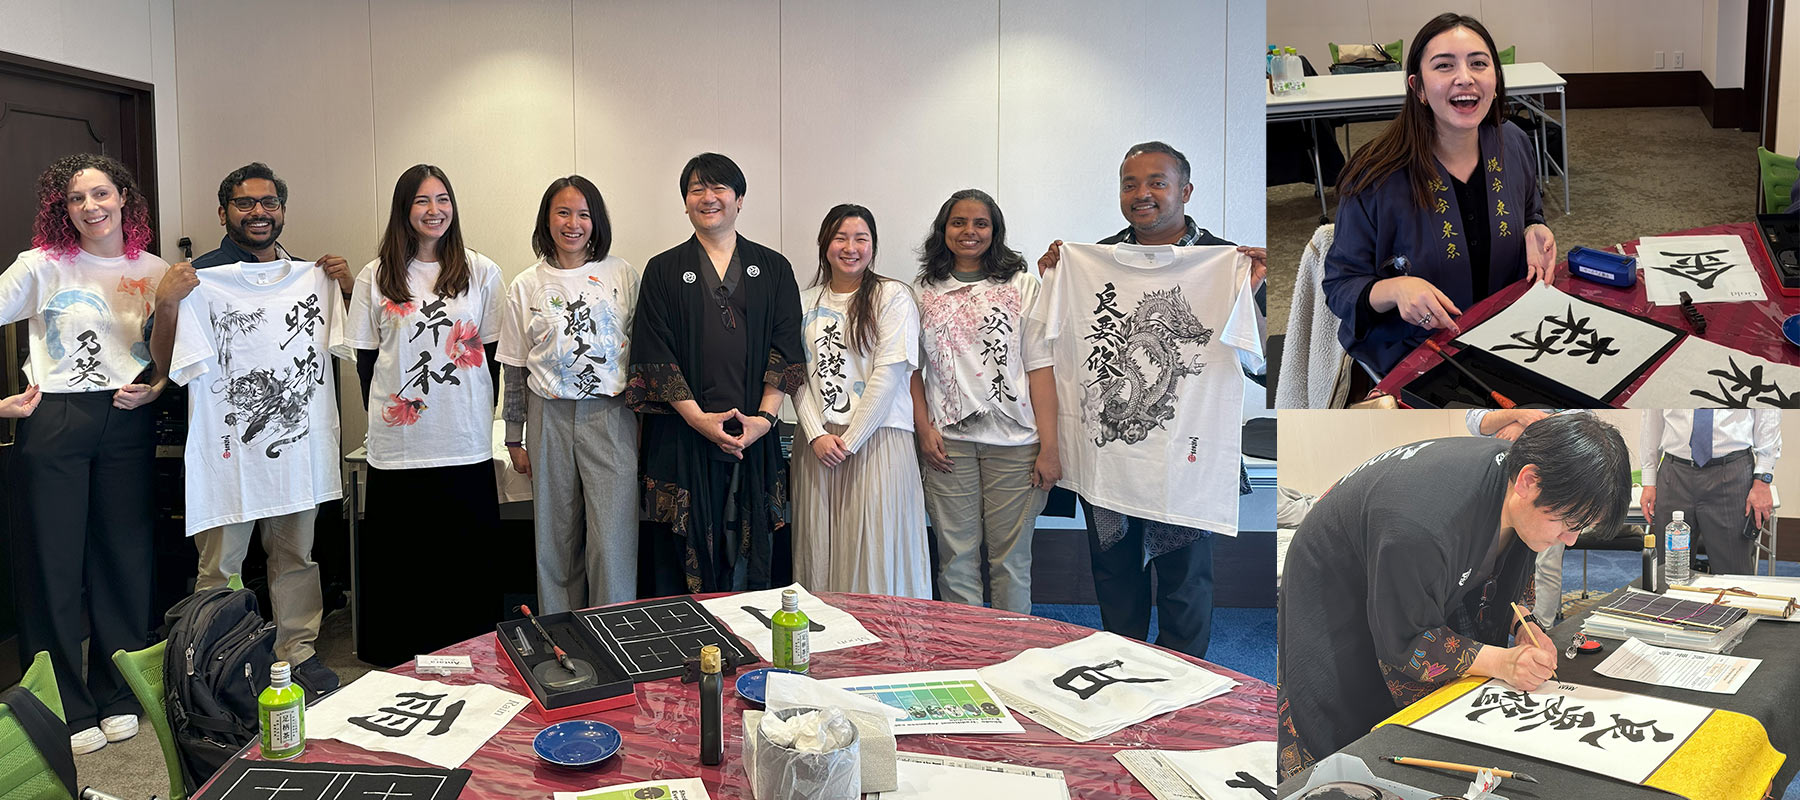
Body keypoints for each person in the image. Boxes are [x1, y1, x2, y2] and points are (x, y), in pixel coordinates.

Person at [1277, 414, 1631, 779]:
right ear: (1528, 481)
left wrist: (1521, 623)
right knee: (1343, 716)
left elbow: (1499, 571)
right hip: (1335, 583)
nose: (1571, 540)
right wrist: (1503, 663)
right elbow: (1407, 638)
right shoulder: (1422, 526)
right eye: (1567, 523)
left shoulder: (1515, 480)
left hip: (1403, 556)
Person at [1035, 141, 1266, 659]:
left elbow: (1259, 368)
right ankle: (1122, 665)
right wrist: (1056, 270)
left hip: (1187, 457)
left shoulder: (1228, 261)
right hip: (1111, 455)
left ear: (1185, 190)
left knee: (1185, 580)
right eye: (1130, 184)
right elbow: (1057, 344)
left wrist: (1253, 294)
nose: (1142, 194)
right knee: (1114, 572)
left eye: (1157, 182)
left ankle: (1185, 676)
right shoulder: (1092, 260)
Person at [154, 162, 351, 695]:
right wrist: (167, 300)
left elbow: (353, 340)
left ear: (282, 211)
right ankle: (214, 661)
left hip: (295, 450)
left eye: (269, 203)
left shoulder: (308, 275)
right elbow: (166, 362)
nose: (258, 212)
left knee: (296, 557)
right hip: (229, 456)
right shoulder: (199, 278)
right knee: (220, 567)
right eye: (245, 203)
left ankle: (297, 651)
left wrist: (346, 289)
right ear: (224, 213)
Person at [2, 153, 171, 754]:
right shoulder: (40, 265)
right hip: (53, 417)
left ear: (125, 198)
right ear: (62, 208)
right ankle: (60, 705)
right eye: (76, 199)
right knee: (52, 564)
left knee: (124, 557)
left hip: (126, 418)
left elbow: (176, 350)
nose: (91, 207)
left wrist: (156, 386)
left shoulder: (156, 271)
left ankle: (120, 692)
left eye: (101, 194)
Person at [331, 164, 504, 667]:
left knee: (464, 560)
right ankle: (400, 657)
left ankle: (470, 654)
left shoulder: (481, 271)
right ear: (404, 210)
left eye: (443, 199)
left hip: (463, 437)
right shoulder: (376, 275)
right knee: (404, 559)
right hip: (399, 445)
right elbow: (366, 361)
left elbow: (491, 354)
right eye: (422, 201)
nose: (435, 211)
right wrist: (392, 415)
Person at [1321, 12, 1557, 376]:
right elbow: (1340, 285)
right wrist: (1396, 290)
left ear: (1496, 78)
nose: (1465, 78)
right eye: (1444, 66)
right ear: (1417, 87)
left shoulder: (1514, 142)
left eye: (1479, 63)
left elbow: (1530, 211)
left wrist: (1532, 229)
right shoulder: (1375, 175)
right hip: (1415, 353)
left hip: (1508, 336)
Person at [627, 153, 804, 594]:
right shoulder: (663, 269)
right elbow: (653, 354)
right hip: (681, 433)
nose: (708, 198)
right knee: (676, 551)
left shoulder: (774, 268)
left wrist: (763, 421)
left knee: (752, 544)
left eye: (719, 188)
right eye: (696, 190)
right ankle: (682, 648)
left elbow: (788, 350)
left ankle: (754, 641)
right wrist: (697, 418)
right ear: (685, 202)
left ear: (739, 199)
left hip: (754, 436)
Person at [912, 189, 1059, 613]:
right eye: (958, 222)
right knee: (955, 558)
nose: (969, 232)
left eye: (981, 223)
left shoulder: (1022, 285)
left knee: (1011, 560)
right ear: (944, 230)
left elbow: (1040, 368)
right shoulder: (923, 289)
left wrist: (1050, 447)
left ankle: (1011, 654)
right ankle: (967, 652)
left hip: (1016, 446)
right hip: (948, 445)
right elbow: (912, 371)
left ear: (995, 231)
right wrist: (924, 430)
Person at [499, 175, 641, 612]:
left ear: (596, 221)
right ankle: (561, 637)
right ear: (547, 219)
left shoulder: (621, 273)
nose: (573, 223)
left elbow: (642, 357)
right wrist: (513, 436)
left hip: (611, 415)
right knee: (554, 536)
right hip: (549, 416)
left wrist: (643, 424)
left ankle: (614, 633)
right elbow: (515, 367)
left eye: (583, 214)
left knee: (612, 538)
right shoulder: (526, 284)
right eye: (563, 212)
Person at [791, 204, 930, 596]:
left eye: (860, 238)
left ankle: (884, 646)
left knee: (876, 548)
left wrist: (850, 440)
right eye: (840, 237)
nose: (850, 247)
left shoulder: (893, 296)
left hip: (879, 439)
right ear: (824, 244)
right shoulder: (802, 302)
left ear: (873, 246)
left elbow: (890, 373)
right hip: (818, 444)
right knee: (819, 547)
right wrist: (817, 434)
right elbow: (794, 374)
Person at [1467, 408, 1580, 626]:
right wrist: (1519, 415)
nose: (1573, 538)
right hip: (1497, 484)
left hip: (1552, 482)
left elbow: (1580, 418)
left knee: (1543, 563)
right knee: (1486, 568)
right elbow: (1475, 420)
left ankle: (1541, 625)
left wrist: (1526, 427)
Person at [1640, 410, 1780, 576]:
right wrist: (1649, 480)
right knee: (1670, 570)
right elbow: (1651, 414)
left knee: (1733, 572)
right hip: (1675, 472)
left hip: (1731, 472)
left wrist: (1762, 480)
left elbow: (1767, 411)